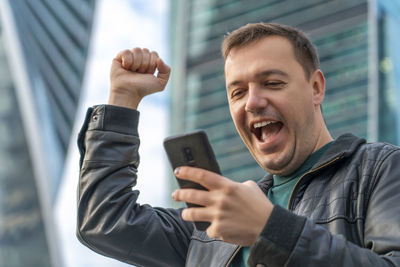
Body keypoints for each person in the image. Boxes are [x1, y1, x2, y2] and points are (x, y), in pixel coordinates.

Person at [77, 23, 400, 266]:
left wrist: (271, 229)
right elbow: (105, 222)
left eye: (272, 83)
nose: (252, 102)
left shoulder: (379, 169)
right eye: (238, 92)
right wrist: (122, 100)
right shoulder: (209, 227)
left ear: (316, 88)